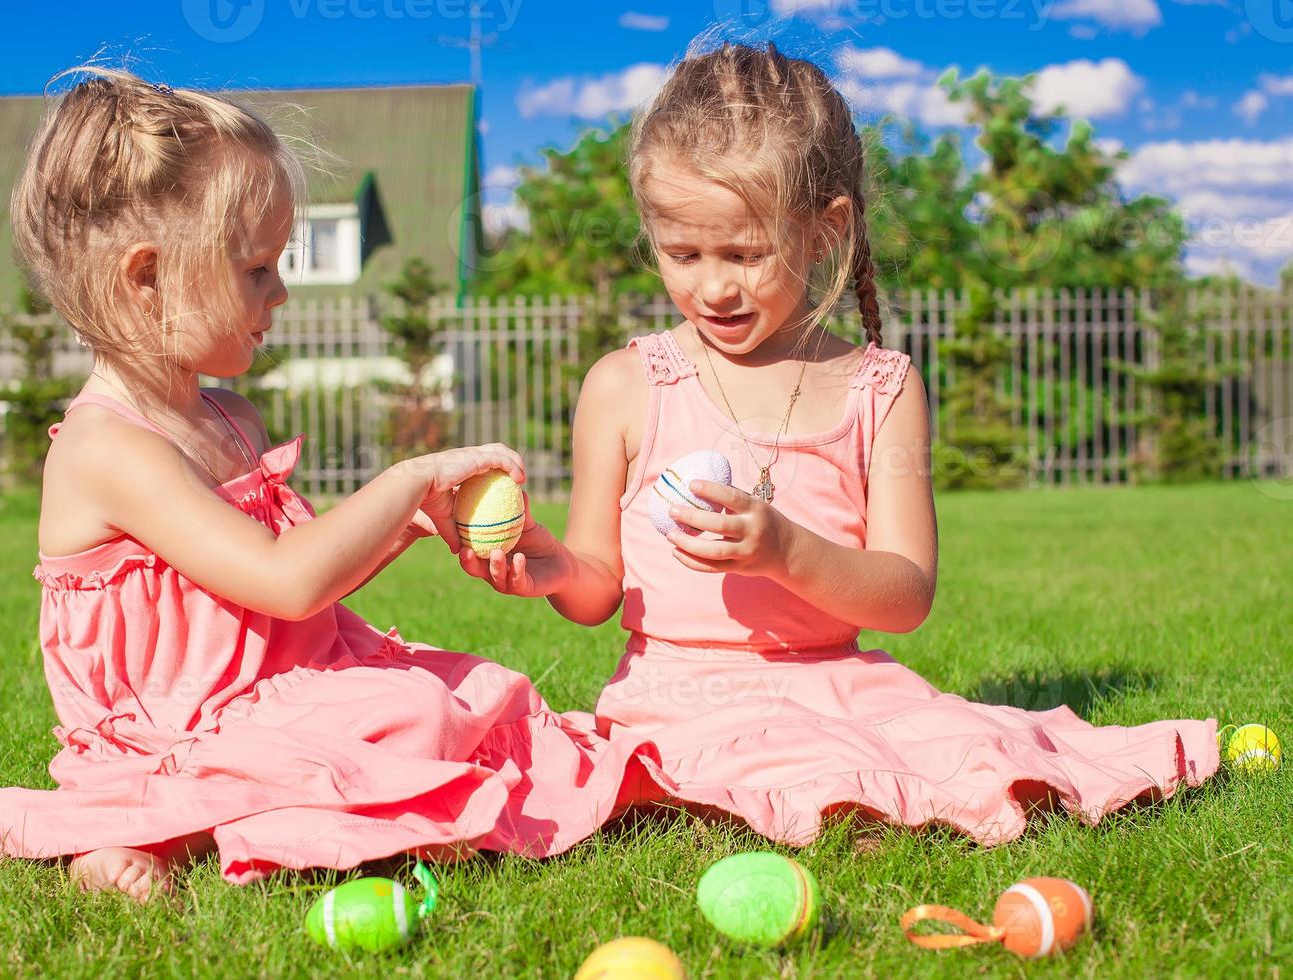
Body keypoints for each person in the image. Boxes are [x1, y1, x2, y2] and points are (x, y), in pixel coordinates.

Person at [461, 41, 1219, 848]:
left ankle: (846, 796)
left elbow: (905, 595)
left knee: (953, 749)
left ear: (824, 232)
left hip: (842, 686)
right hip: (677, 695)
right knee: (783, 765)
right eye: (682, 254)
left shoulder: (880, 390)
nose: (712, 286)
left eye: (746, 255)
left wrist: (783, 548)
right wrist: (552, 567)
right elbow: (597, 590)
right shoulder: (624, 385)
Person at [0, 65, 662, 901]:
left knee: (474, 693)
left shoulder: (231, 418)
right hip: (186, 723)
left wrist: (406, 526)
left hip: (281, 684)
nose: (282, 293)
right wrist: (407, 482)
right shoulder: (107, 448)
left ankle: (213, 818)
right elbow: (288, 581)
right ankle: (137, 825)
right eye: (256, 269)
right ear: (147, 276)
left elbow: (288, 579)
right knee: (413, 721)